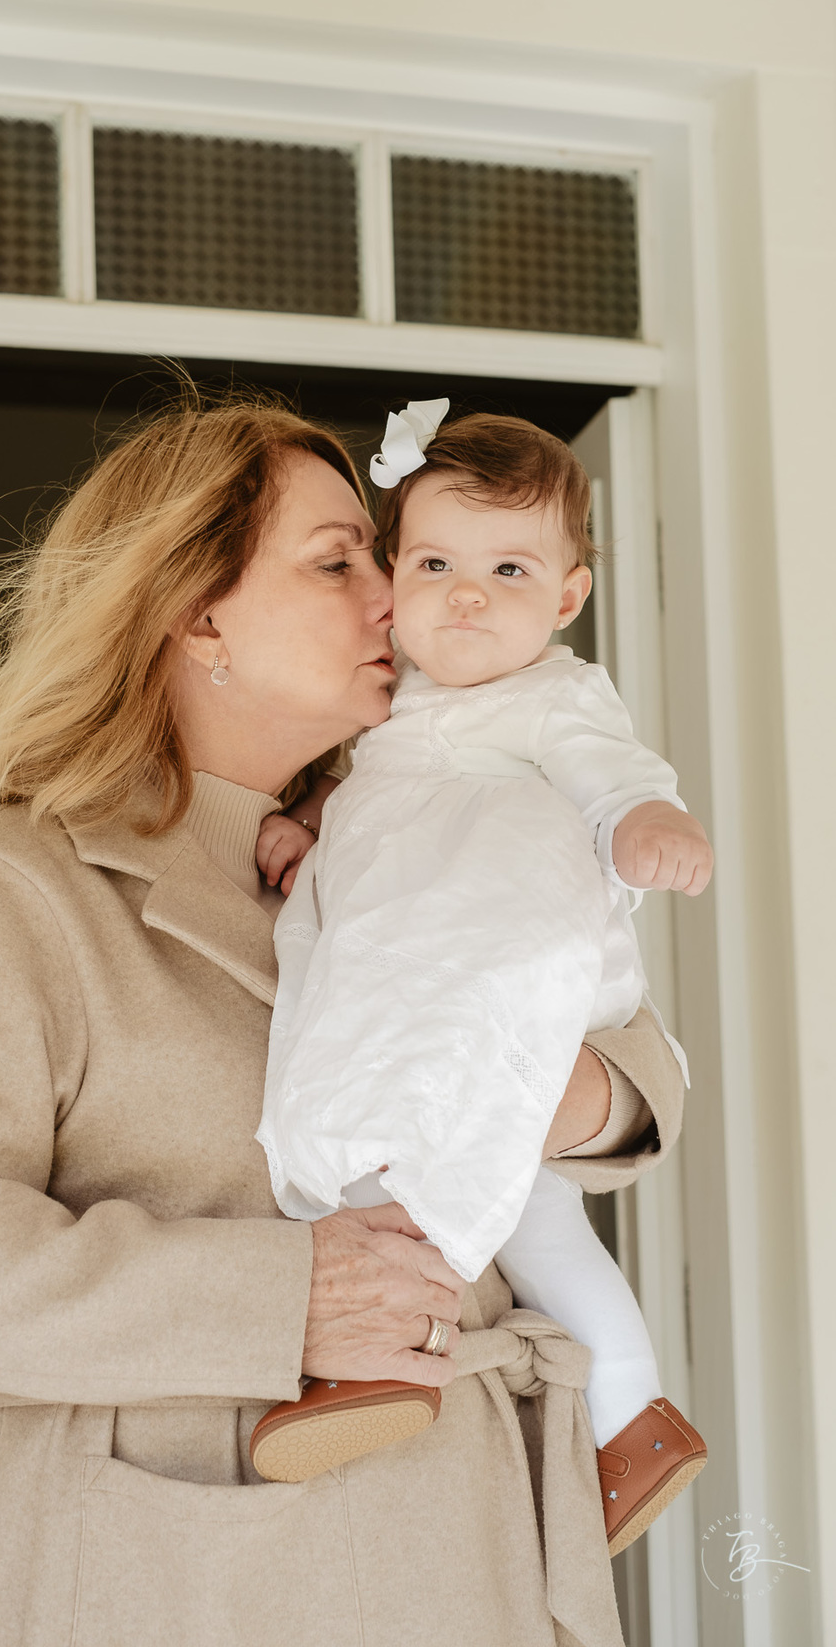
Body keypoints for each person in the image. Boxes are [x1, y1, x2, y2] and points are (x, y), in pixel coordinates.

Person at [0, 396, 686, 1647]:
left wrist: (568, 1094)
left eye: (383, 557)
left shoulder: (413, 819)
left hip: (476, 1558)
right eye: (340, 561)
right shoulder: (20, 891)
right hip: (180, 1585)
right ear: (196, 612)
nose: (397, 594)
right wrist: (284, 1300)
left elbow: (617, 1022)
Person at [253, 404, 707, 1551]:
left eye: (508, 569)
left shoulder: (552, 698)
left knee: (403, 1193)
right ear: (396, 582)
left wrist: (646, 822)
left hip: (520, 994)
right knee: (543, 1229)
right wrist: (310, 826)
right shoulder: (396, 717)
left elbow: (612, 776)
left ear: (565, 599)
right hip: (447, 997)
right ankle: (635, 1421)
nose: (466, 595)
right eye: (438, 564)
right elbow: (383, 813)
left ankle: (390, 1362)